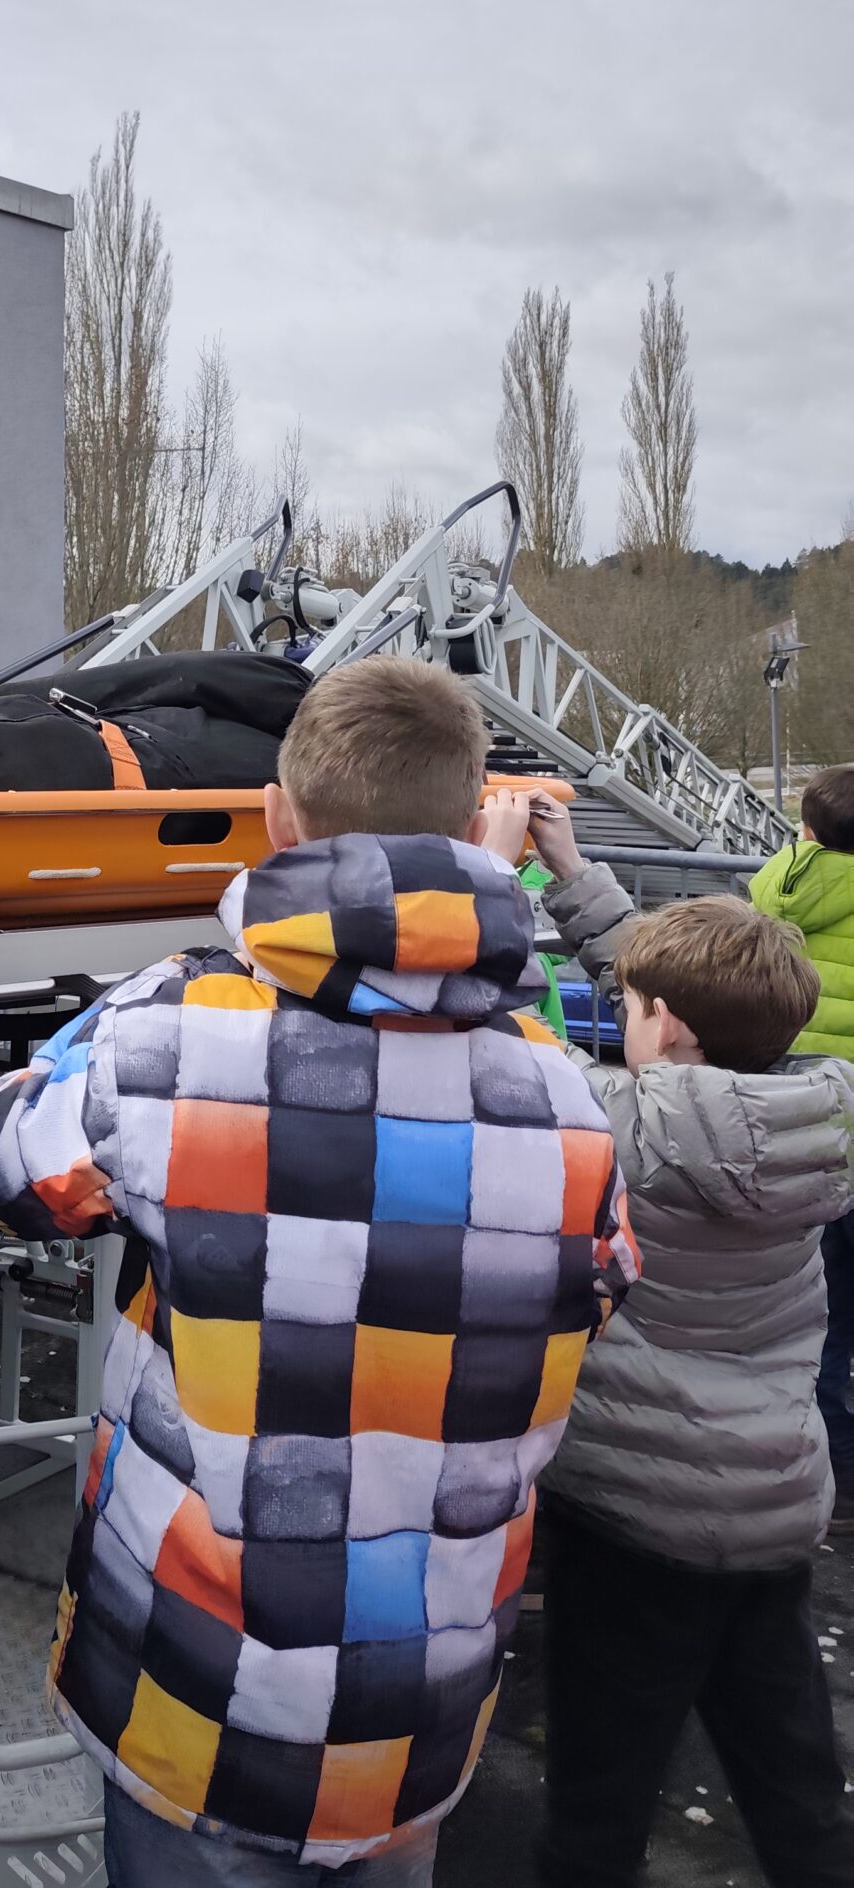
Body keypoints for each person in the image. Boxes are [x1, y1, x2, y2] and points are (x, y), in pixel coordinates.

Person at [0, 659, 637, 1885]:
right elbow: (604, 1276)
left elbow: (9, 1163)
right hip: (417, 1714)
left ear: (278, 817)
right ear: (470, 812)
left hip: (196, 1692)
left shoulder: (167, 1034)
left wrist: (108, 1016)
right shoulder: (569, 1096)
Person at [504, 794, 854, 1887]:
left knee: (599, 1797)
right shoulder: (817, 1115)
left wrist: (483, 872)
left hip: (634, 1526)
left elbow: (498, 1027)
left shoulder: (617, 1124)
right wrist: (572, 872)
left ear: (666, 1029)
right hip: (769, 1511)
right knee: (793, 1783)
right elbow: (674, 1004)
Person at [750, 763, 854, 1523]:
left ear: (807, 830)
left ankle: (830, 1465)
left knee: (817, 1309)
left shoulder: (771, 887)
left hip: (803, 1129)